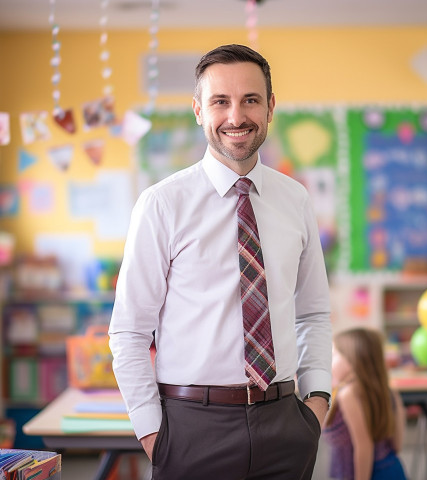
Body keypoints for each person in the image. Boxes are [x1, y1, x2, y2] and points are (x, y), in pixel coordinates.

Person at [109, 44, 332, 480]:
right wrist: (154, 435)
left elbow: (313, 313)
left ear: (270, 107)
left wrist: (317, 402)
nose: (236, 116)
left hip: (286, 425)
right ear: (198, 110)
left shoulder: (296, 200)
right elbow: (130, 331)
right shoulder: (162, 204)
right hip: (191, 429)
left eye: (250, 99)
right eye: (220, 101)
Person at [323, 328, 407, 480]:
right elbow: (397, 446)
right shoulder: (389, 391)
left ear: (353, 359)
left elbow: (364, 447)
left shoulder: (349, 394)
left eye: (334, 354)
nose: (330, 360)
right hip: (392, 469)